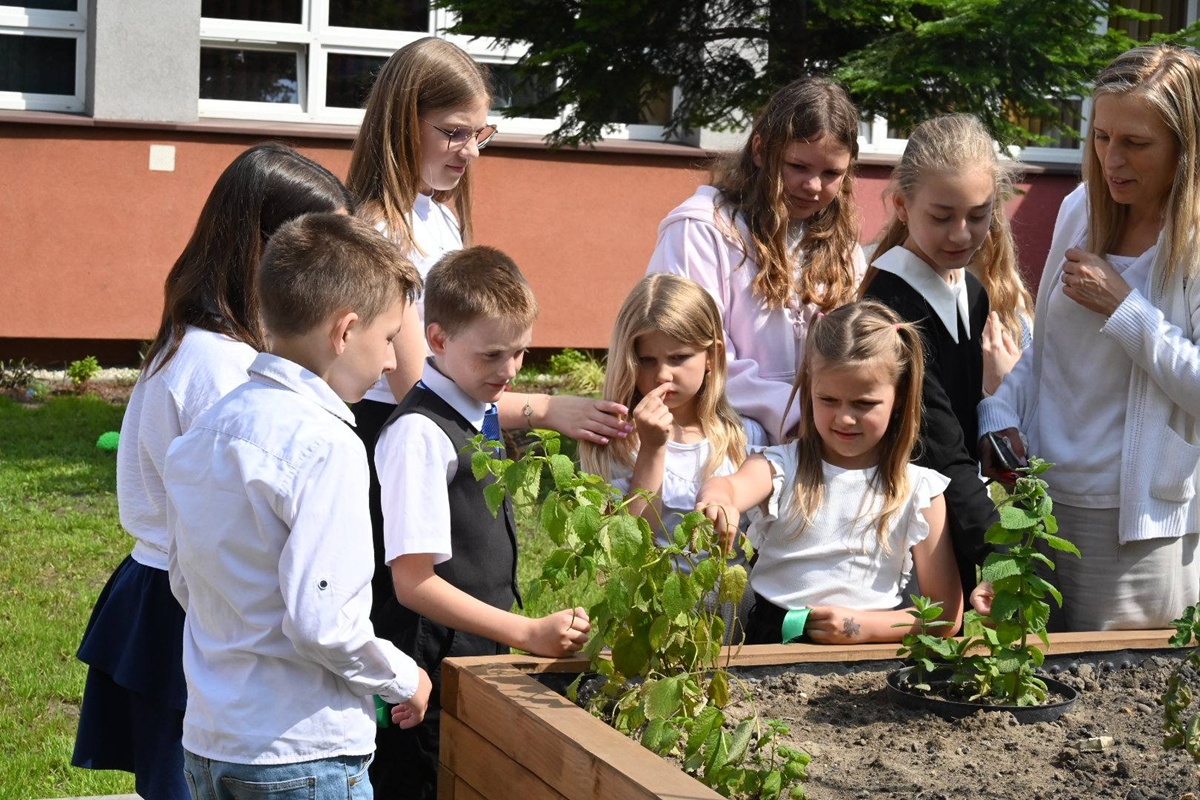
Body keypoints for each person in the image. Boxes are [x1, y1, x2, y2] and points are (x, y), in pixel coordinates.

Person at [71, 143, 355, 800]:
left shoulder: (215, 345)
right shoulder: (218, 364)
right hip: (190, 604)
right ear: (265, 246)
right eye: (326, 247)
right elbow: (239, 520)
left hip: (187, 594)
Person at [165, 212, 432, 799]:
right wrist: (403, 677)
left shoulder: (207, 429)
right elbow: (324, 624)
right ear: (345, 332)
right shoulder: (328, 444)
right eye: (389, 338)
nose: (392, 362)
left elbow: (184, 579)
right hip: (302, 751)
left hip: (211, 742)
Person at [977, 45, 1200, 631]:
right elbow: (1047, 344)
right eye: (1101, 137)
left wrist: (1124, 308)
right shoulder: (1080, 208)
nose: (1111, 160)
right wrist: (999, 410)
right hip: (1045, 500)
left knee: (1118, 684)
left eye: (1136, 143)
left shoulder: (1195, 240)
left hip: (1137, 523)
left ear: (1186, 146)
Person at [372, 245, 591, 800]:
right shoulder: (420, 434)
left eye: (520, 352)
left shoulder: (478, 408)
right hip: (430, 664)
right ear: (438, 340)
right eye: (492, 354)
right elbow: (412, 582)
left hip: (476, 645)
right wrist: (527, 632)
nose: (510, 370)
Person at [347, 36, 630, 446]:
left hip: (443, 432)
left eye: (479, 133)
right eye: (455, 132)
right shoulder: (381, 233)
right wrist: (542, 409)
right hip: (403, 439)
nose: (472, 152)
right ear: (403, 122)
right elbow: (417, 388)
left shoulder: (439, 217)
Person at [695, 301, 963, 644]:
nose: (845, 418)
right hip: (772, 643)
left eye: (864, 404)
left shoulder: (920, 491)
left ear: (899, 397)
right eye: (828, 400)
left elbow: (944, 614)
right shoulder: (781, 466)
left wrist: (863, 628)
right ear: (809, 388)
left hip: (873, 652)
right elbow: (730, 487)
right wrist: (719, 501)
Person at [646, 76, 867, 445]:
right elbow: (691, 352)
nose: (813, 185)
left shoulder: (842, 248)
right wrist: (797, 416)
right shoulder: (700, 230)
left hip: (819, 439)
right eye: (798, 166)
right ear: (761, 150)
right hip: (723, 439)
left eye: (831, 173)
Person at [860, 113, 1017, 600]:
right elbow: (938, 446)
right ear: (902, 205)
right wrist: (1002, 555)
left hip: (956, 510)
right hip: (901, 534)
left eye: (979, 215)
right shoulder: (891, 306)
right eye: (942, 216)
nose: (961, 235)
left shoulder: (972, 291)